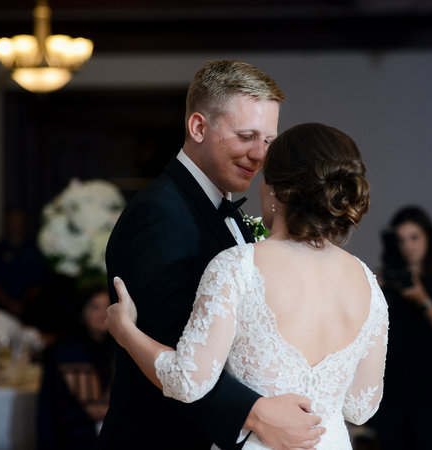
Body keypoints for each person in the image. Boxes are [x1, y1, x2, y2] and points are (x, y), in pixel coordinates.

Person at [106, 122, 388, 450]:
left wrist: (126, 331)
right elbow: (360, 407)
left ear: (275, 190)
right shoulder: (368, 283)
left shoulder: (238, 266)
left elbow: (187, 381)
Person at [99, 59, 326, 450]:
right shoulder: (158, 215)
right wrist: (256, 413)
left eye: (268, 141)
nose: (259, 155)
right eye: (246, 136)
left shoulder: (219, 206)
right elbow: (172, 349)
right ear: (198, 127)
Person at [370, 205, 432, 449]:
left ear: (428, 238)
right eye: (401, 240)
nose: (408, 246)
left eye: (414, 237)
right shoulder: (386, 280)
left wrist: (422, 299)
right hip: (393, 388)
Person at [38, 285, 114, 450]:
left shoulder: (108, 348)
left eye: (108, 306)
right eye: (95, 307)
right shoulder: (70, 350)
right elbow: (95, 408)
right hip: (73, 438)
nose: (103, 313)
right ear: (81, 312)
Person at [0, 208, 46, 324]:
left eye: (19, 222)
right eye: (13, 222)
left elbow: (39, 281)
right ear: (7, 224)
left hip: (31, 310)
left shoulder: (35, 250)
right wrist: (9, 304)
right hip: (1, 310)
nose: (16, 226)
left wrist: (22, 304)